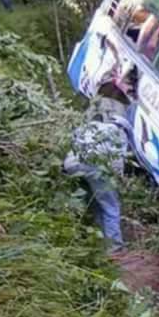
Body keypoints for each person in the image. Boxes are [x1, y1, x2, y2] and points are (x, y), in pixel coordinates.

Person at [63, 97, 130, 252]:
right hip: (93, 166)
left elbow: (72, 142)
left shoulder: (88, 127)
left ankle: (98, 242)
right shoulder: (118, 132)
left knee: (96, 204)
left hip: (71, 165)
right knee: (111, 207)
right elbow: (117, 160)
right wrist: (119, 180)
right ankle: (115, 248)